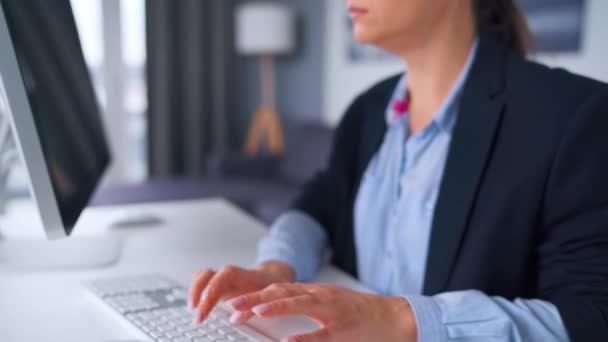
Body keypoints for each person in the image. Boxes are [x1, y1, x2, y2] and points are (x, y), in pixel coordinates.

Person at [189, 0, 608, 340]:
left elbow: (594, 317)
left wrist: (403, 320)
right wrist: (275, 268)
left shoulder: (572, 115)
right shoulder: (368, 110)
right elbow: (321, 203)